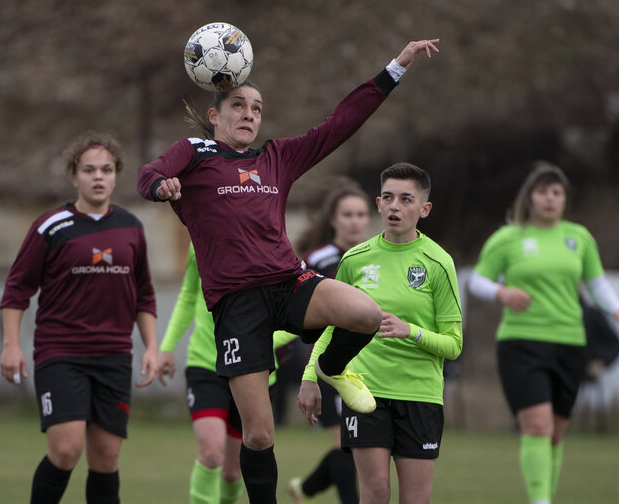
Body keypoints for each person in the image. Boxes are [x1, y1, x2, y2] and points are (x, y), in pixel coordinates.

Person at [137, 38, 439, 503]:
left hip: (288, 283)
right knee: (259, 435)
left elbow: (340, 124)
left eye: (257, 108)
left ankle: (333, 368)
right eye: (239, 105)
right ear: (215, 115)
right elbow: (148, 174)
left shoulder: (275, 157)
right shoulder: (194, 154)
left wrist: (395, 68)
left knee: (365, 313)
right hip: (237, 304)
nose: (249, 114)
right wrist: (161, 185)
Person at [0, 131, 159, 504]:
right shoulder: (51, 226)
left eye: (106, 169)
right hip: (61, 354)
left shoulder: (131, 228)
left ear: (116, 175)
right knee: (66, 450)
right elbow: (17, 288)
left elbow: (144, 294)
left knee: (106, 458)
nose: (98, 177)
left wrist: (152, 347)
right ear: (74, 176)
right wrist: (10, 345)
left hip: (114, 357)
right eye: (89, 170)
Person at [467, 161, 619, 504]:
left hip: (570, 343)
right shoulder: (508, 238)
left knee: (555, 435)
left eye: (556, 192)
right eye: (542, 191)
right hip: (521, 343)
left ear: (565, 198)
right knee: (537, 427)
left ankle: (545, 497)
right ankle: (540, 501)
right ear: (530, 197)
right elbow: (478, 280)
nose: (549, 198)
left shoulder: (579, 237)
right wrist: (502, 292)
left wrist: (616, 308)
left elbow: (597, 283)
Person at [298, 162, 463, 504]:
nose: (394, 206)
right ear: (378, 203)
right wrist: (310, 376)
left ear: (424, 208)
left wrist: (411, 331)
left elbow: (454, 345)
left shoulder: (438, 262)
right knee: (375, 493)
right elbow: (332, 326)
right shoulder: (355, 259)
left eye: (406, 199)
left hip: (420, 395)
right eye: (388, 198)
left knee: (415, 499)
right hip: (366, 391)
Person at [157, 242, 298, 504]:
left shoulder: (269, 242)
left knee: (233, 473)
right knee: (211, 454)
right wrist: (166, 347)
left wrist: (261, 342)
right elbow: (188, 295)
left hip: (252, 368)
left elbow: (296, 309)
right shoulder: (200, 241)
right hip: (205, 364)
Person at [289, 178, 372, 504]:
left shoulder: (374, 255)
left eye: (361, 214)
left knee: (356, 445)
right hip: (329, 363)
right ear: (334, 219)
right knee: (346, 444)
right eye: (348, 214)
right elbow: (297, 307)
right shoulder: (317, 260)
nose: (355, 221)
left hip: (370, 362)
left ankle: (304, 489)